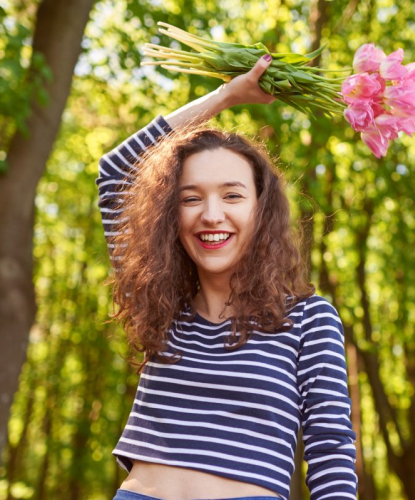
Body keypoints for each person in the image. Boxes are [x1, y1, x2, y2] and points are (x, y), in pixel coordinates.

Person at [96, 54, 357, 500]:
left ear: (261, 210)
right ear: (169, 217)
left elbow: (331, 451)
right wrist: (226, 97)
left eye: (232, 195)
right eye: (190, 198)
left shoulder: (310, 321)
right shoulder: (165, 310)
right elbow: (117, 171)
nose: (211, 215)